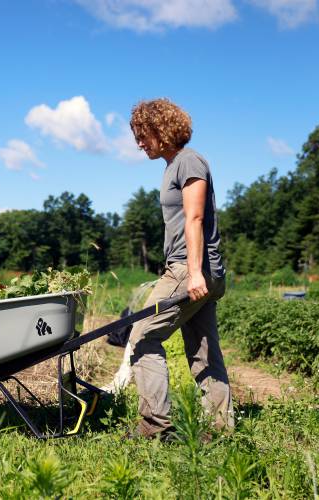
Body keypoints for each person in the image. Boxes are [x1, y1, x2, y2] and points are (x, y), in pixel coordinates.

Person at [126, 98, 233, 438]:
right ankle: (219, 428)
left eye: (143, 135)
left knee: (142, 336)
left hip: (190, 268)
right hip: (197, 268)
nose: (139, 143)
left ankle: (155, 425)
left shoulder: (189, 161)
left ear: (162, 129)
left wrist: (195, 272)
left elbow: (195, 217)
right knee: (202, 349)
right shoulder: (174, 166)